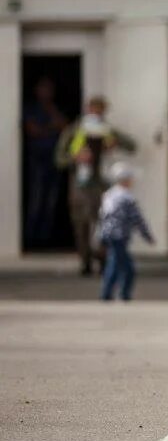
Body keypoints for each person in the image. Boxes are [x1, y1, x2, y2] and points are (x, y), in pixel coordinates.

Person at [55, 96, 136, 275]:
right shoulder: (75, 130)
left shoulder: (106, 131)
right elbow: (59, 159)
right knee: (81, 223)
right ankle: (85, 260)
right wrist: (75, 158)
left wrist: (115, 144)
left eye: (101, 111)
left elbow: (131, 146)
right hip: (80, 184)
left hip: (102, 184)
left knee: (105, 222)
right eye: (94, 109)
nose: (97, 114)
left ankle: (103, 257)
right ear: (87, 109)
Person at [97, 162, 154, 301]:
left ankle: (110, 292)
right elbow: (137, 219)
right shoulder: (126, 198)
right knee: (124, 267)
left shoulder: (109, 195)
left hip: (109, 234)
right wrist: (147, 236)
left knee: (115, 263)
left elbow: (102, 216)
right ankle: (119, 293)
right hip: (119, 236)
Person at [22, 77, 68, 247]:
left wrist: (52, 114)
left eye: (49, 89)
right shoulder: (31, 109)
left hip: (55, 161)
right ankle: (30, 239)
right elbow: (33, 131)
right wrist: (52, 128)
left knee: (51, 201)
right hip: (37, 161)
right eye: (43, 89)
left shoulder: (55, 109)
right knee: (36, 198)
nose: (47, 93)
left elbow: (65, 127)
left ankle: (46, 239)